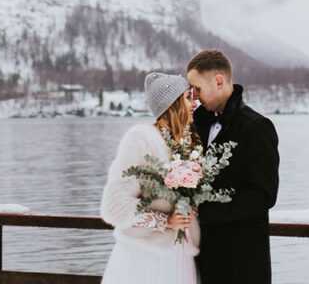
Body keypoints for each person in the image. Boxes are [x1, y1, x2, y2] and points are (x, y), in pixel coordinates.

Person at [186, 49, 279, 284]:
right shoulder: (195, 123)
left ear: (218, 80)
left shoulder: (257, 127)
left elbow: (263, 195)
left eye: (197, 89)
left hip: (242, 260)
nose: (194, 97)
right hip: (200, 258)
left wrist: (204, 214)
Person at [100, 72, 201, 284]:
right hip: (145, 256)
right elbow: (115, 205)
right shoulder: (140, 139)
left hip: (179, 254)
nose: (195, 103)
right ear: (173, 104)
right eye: (188, 97)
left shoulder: (186, 144)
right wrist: (164, 221)